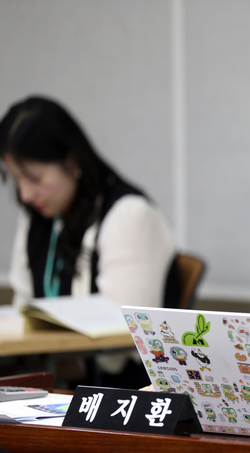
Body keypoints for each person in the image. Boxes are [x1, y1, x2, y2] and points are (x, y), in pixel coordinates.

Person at [0, 96, 179, 386]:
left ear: (72, 161)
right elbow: (23, 305)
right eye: (16, 180)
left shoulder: (128, 214)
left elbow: (124, 335)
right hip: (57, 381)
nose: (25, 195)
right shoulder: (38, 217)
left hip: (120, 390)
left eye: (34, 178)